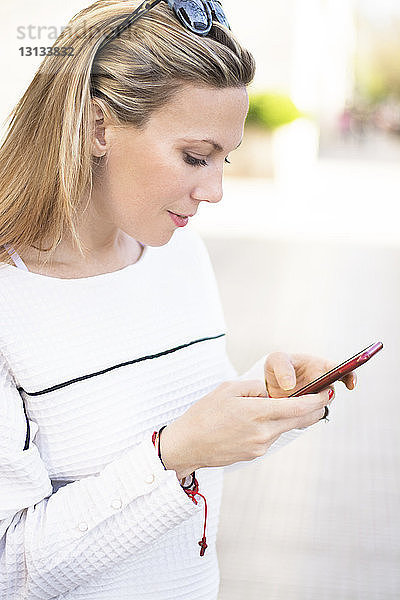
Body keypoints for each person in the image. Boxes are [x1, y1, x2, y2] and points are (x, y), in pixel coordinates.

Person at [0, 1, 356, 598]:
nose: (215, 190)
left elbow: (196, 447)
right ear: (96, 129)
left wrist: (268, 401)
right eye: (195, 157)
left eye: (225, 158)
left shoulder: (178, 253)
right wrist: (173, 453)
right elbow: (12, 566)